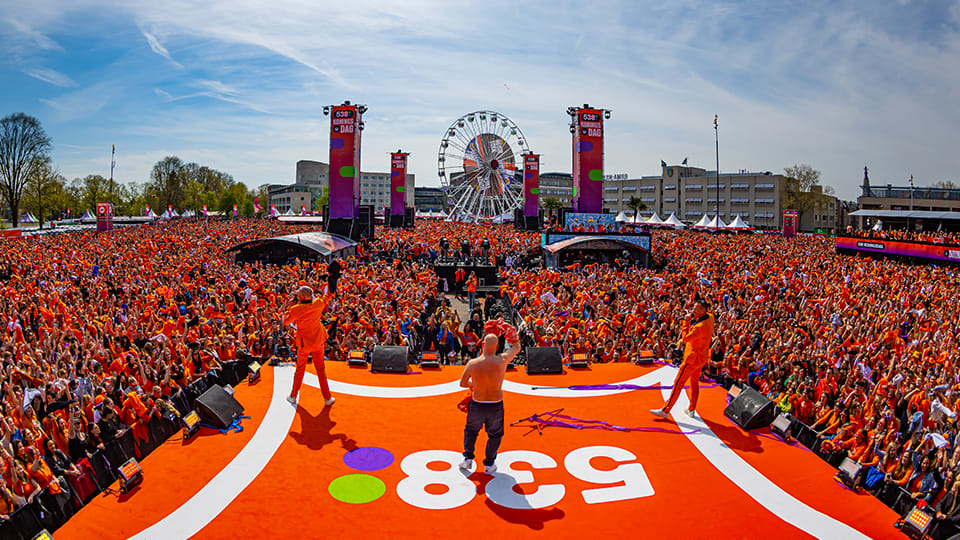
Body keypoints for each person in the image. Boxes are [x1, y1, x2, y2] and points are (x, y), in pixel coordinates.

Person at [458, 318, 520, 475]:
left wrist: (476, 384)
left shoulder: (472, 363)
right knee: (495, 434)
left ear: (483, 345)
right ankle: (489, 464)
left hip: (478, 403)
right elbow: (516, 347)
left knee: (471, 430)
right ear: (498, 347)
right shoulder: (502, 360)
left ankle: (468, 458)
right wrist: (510, 333)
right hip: (495, 404)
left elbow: (463, 384)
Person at [651, 298, 714, 419]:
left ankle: (666, 410)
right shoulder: (710, 317)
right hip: (702, 357)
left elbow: (685, 338)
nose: (693, 311)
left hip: (692, 359)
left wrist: (686, 321)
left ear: (703, 310)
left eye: (696, 309)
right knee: (694, 383)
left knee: (678, 383)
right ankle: (692, 409)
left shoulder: (699, 327)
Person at [284, 286, 335, 407]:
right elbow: (327, 296)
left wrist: (289, 308)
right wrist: (332, 284)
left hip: (304, 345)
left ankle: (293, 396)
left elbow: (286, 321)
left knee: (300, 370)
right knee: (321, 370)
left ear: (301, 297)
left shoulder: (296, 309)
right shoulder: (317, 304)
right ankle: (327, 398)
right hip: (318, 342)